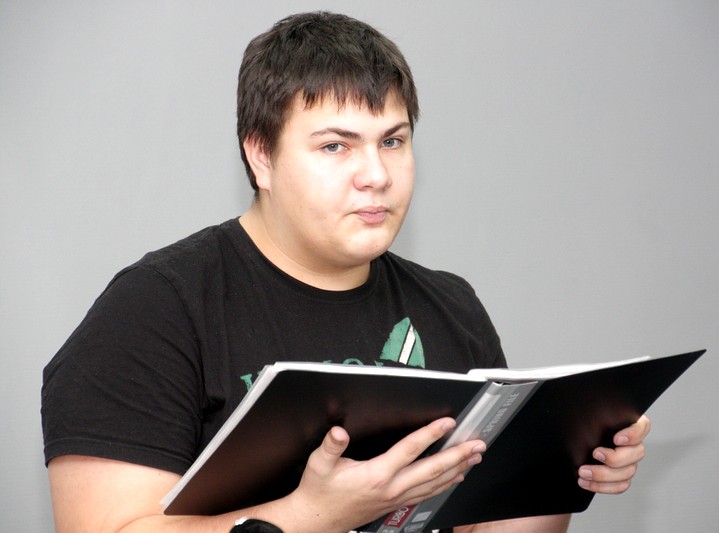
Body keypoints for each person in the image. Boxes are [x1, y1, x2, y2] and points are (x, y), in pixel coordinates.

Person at [41, 11, 649, 533]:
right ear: (261, 155)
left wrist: (562, 463)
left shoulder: (451, 307)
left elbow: (483, 524)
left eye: (393, 141)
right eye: (336, 146)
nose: (376, 175)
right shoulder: (158, 308)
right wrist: (311, 515)